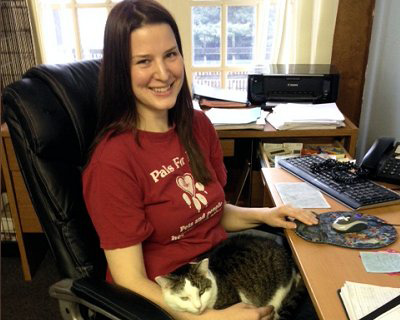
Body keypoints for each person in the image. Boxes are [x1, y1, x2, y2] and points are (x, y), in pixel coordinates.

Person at [82, 1, 318, 319]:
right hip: (170, 298)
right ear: (120, 71)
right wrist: (211, 319)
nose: (163, 73)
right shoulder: (112, 163)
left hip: (215, 271)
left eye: (170, 54)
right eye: (143, 61)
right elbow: (129, 280)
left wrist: (267, 214)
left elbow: (207, 213)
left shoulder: (197, 125)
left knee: (324, 290)